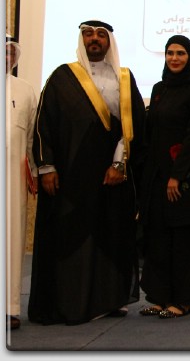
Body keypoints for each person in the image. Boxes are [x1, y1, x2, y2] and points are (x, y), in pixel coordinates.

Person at [29, 20, 146, 325]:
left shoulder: (123, 78)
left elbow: (133, 128)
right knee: (73, 241)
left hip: (110, 176)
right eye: (89, 34)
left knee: (110, 236)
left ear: (109, 42)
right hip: (70, 178)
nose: (95, 39)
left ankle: (109, 300)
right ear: (82, 40)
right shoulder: (62, 77)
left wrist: (119, 165)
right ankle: (72, 303)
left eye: (101, 35)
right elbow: (43, 125)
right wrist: (46, 167)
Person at [139, 35, 190, 319]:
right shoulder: (159, 88)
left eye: (181, 53)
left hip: (185, 180)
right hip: (157, 179)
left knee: (182, 240)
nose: (174, 58)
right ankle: (159, 297)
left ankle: (183, 300)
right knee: (158, 238)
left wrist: (177, 175)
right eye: (170, 53)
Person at [5, 35, 38, 330]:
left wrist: (35, 174)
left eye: (10, 53)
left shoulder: (26, 89)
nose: (6, 58)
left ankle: (10, 307)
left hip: (13, 183)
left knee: (12, 241)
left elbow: (30, 140)